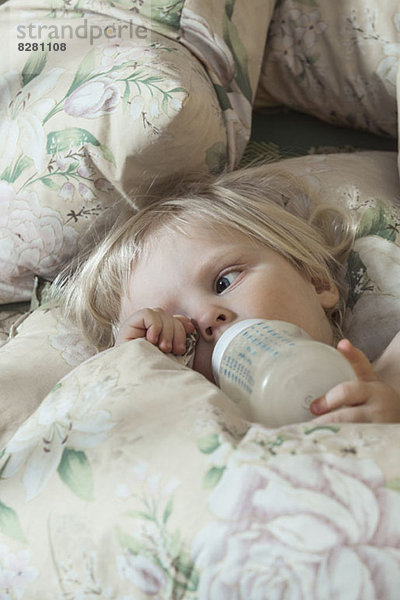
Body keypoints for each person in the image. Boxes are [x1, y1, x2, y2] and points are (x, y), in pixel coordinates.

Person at [57, 164, 400, 423]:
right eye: (175, 324)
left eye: (224, 282)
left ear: (316, 281)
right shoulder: (183, 427)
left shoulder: (391, 371)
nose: (206, 319)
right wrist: (134, 373)